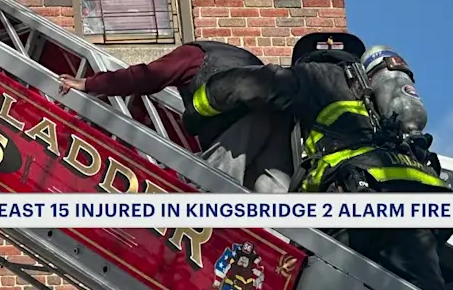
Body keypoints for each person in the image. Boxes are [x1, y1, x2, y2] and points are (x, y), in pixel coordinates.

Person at [189, 32, 453, 290]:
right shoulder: (373, 93)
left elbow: (251, 83)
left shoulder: (317, 76)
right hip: (420, 198)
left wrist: (198, 107)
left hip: (355, 198)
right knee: (422, 289)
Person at [58, 41, 294, 193]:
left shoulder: (191, 55)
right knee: (274, 195)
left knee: (210, 188)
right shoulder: (239, 57)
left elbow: (146, 77)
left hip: (240, 126)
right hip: (279, 118)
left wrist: (89, 83)